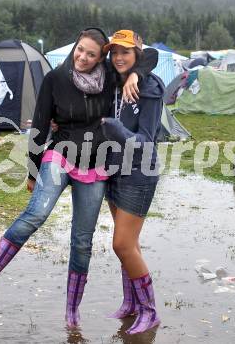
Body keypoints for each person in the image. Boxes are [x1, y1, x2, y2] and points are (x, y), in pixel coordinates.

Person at [0, 28, 158, 328]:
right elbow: (40, 126)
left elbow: (147, 57)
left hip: (96, 167)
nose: (83, 57)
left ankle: (72, 311)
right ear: (74, 46)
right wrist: (32, 170)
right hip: (60, 155)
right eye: (80, 49)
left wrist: (137, 75)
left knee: (83, 241)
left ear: (100, 58)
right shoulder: (55, 78)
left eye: (92, 54)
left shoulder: (109, 76)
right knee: (36, 213)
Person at [100, 30, 164, 335]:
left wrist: (115, 129)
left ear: (137, 54)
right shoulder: (115, 81)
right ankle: (131, 302)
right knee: (129, 245)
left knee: (122, 244)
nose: (119, 57)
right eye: (114, 52)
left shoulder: (149, 87)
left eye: (125, 52)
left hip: (139, 173)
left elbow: (146, 142)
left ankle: (149, 311)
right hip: (113, 171)